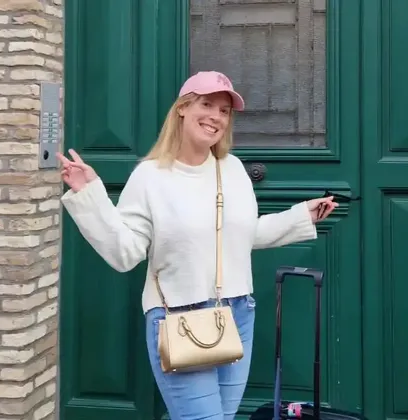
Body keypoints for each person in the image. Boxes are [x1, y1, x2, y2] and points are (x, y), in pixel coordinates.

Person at [57, 71, 338, 420]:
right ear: (182, 108)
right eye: (206, 105)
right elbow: (125, 252)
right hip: (179, 317)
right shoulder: (150, 177)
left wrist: (302, 216)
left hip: (238, 313)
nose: (216, 117)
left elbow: (243, 235)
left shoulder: (232, 169)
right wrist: (89, 195)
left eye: (224, 111)